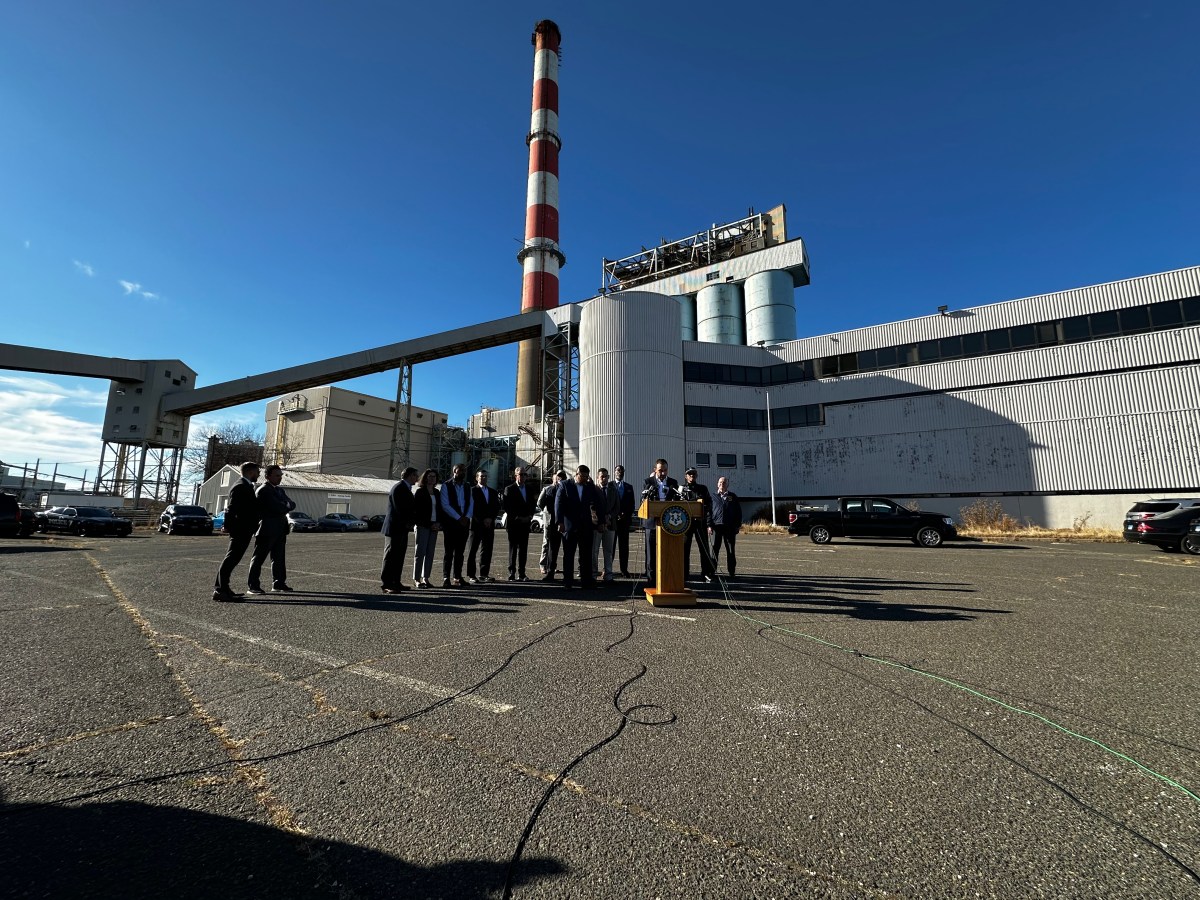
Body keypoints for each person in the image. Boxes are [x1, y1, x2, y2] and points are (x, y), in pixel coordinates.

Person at [213, 461, 262, 602]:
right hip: (240, 529)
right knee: (231, 559)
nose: (259, 474)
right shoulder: (240, 486)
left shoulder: (246, 485)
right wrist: (227, 526)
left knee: (233, 559)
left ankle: (224, 588)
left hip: (245, 528)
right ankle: (220, 590)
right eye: (257, 472)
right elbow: (231, 508)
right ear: (251, 472)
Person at [246, 465, 297, 595]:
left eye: (281, 475)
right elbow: (277, 507)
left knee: (279, 558)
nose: (280, 478)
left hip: (280, 529)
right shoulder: (263, 490)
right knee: (258, 558)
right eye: (277, 475)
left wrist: (285, 505)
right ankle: (253, 586)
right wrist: (285, 505)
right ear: (268, 476)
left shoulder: (279, 490)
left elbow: (292, 504)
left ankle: (279, 583)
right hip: (266, 529)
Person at [555, 464, 601, 590]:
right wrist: (560, 522)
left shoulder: (589, 487)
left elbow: (597, 504)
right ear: (577, 474)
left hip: (585, 526)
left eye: (587, 476)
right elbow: (558, 504)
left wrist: (600, 521)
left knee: (586, 555)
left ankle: (586, 581)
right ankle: (568, 581)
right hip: (569, 526)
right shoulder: (565, 485)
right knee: (569, 555)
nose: (585, 479)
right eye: (583, 476)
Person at [641, 458, 679, 587]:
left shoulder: (673, 483)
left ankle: (667, 579)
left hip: (668, 523)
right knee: (651, 553)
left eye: (665, 470)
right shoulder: (648, 482)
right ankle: (651, 581)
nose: (663, 473)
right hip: (652, 523)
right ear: (655, 470)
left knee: (667, 552)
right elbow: (643, 500)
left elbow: (677, 501)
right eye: (660, 470)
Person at [380, 466, 419, 594]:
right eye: (415, 475)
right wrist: (409, 522)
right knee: (390, 556)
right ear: (409, 476)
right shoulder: (399, 488)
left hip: (402, 528)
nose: (417, 478)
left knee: (399, 556)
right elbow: (399, 509)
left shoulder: (406, 488)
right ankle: (386, 584)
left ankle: (396, 582)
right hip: (395, 528)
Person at [439, 464, 473, 587]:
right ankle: (446, 577)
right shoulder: (446, 485)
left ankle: (458, 577)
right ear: (454, 471)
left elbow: (471, 503)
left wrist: (467, 517)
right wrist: (459, 518)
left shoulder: (467, 486)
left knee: (460, 552)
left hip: (464, 524)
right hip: (451, 524)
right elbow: (445, 505)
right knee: (448, 552)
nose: (462, 472)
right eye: (460, 470)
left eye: (464, 470)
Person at [680, 467, 715, 583]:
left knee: (704, 549)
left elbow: (709, 505)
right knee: (684, 550)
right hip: (686, 524)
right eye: (689, 474)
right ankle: (684, 574)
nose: (692, 476)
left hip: (700, 523)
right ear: (686, 476)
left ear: (696, 476)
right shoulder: (681, 489)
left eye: (694, 474)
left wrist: (708, 522)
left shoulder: (702, 488)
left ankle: (706, 573)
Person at [466, 469, 501, 584]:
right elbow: (472, 508)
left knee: (487, 550)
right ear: (477, 478)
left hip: (489, 525)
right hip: (476, 524)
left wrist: (490, 519)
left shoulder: (493, 492)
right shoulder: (472, 491)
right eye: (481, 476)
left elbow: (496, 507)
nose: (484, 478)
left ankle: (484, 574)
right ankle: (472, 575)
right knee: (472, 550)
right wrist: (482, 520)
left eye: (485, 476)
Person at [502, 466, 537, 581]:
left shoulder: (529, 489)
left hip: (525, 523)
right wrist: (517, 517)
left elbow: (533, 505)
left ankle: (522, 573)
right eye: (521, 474)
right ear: (515, 476)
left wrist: (530, 517)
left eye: (524, 474)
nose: (523, 476)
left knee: (523, 549)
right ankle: (512, 572)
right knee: (513, 549)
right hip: (514, 523)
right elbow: (507, 506)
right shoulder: (509, 489)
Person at [411, 469, 440, 588]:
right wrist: (429, 524)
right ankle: (417, 579)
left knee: (430, 553)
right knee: (420, 553)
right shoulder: (420, 492)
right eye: (430, 476)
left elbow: (440, 510)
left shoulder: (437, 492)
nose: (432, 478)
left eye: (434, 476)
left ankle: (426, 578)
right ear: (425, 478)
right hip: (422, 526)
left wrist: (438, 523)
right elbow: (418, 512)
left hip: (435, 526)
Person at [710, 476, 743, 579]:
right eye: (720, 482)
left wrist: (737, 525)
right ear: (717, 484)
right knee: (714, 550)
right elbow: (708, 512)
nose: (722, 484)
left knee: (730, 550)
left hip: (730, 528)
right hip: (716, 527)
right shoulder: (712, 497)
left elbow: (738, 512)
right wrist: (709, 525)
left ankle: (731, 572)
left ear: (727, 484)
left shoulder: (733, 497)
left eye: (724, 482)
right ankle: (712, 571)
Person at [591, 467, 620, 581]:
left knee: (608, 551)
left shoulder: (613, 490)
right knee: (594, 551)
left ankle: (608, 574)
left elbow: (617, 507)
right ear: (597, 477)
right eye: (602, 476)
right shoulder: (593, 490)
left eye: (606, 476)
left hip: (610, 525)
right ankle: (593, 574)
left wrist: (609, 516)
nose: (604, 479)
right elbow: (591, 507)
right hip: (597, 526)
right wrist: (600, 520)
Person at [537, 470, 566, 581]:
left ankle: (552, 569)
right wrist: (546, 513)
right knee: (549, 545)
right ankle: (546, 567)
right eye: (558, 477)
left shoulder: (564, 489)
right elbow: (540, 503)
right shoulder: (549, 489)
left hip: (559, 522)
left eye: (562, 477)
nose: (560, 479)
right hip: (551, 522)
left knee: (556, 547)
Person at [612, 464, 635, 577]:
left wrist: (625, 514)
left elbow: (632, 504)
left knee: (624, 547)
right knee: (610, 546)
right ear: (614, 472)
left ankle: (624, 569)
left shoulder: (629, 487)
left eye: (621, 470)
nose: (620, 472)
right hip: (612, 521)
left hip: (624, 521)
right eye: (618, 470)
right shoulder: (610, 485)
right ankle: (608, 569)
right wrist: (614, 514)